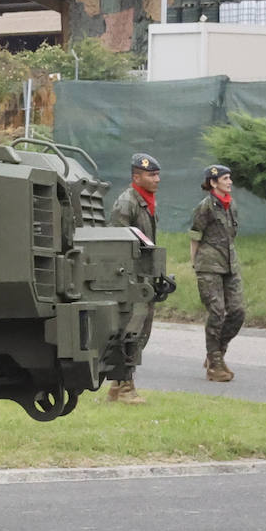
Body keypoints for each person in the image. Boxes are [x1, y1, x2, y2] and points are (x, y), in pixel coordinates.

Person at [106, 152, 162, 404]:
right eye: (151, 175)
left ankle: (118, 386)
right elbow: (116, 243)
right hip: (131, 278)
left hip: (144, 276)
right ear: (136, 176)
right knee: (131, 330)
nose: (157, 179)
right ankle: (126, 387)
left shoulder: (147, 201)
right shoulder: (126, 202)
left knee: (142, 331)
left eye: (157, 174)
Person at [190, 163, 245, 382]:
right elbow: (195, 237)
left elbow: (232, 235)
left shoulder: (232, 205)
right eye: (225, 179)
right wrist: (195, 264)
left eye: (230, 178)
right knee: (217, 312)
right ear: (213, 183)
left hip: (230, 263)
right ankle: (215, 366)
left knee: (238, 311)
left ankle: (216, 353)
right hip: (209, 265)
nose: (229, 182)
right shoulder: (205, 207)